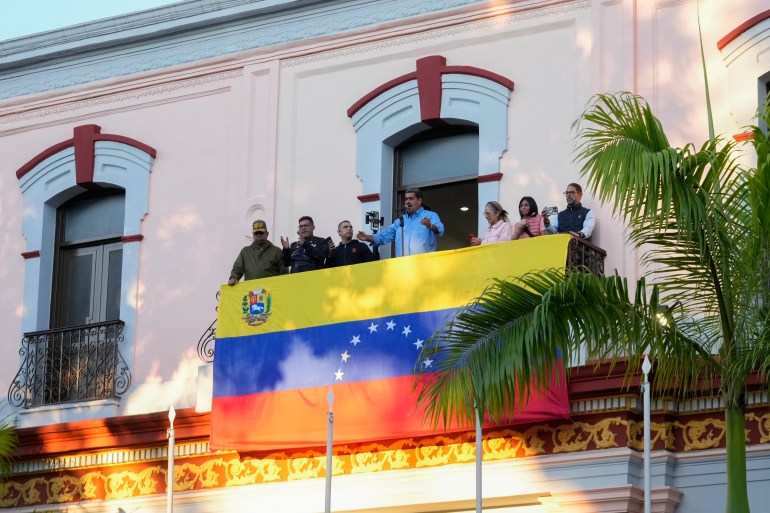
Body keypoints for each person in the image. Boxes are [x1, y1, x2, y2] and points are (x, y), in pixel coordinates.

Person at [356, 188, 444, 256]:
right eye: (406, 199)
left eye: (411, 198)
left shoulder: (431, 215)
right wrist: (366, 237)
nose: (408, 201)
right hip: (402, 268)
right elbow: (383, 236)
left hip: (423, 267)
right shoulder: (400, 220)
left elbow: (440, 230)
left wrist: (430, 226)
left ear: (419, 200)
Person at [228, 219, 286, 285]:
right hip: (251, 293)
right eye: (256, 233)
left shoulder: (277, 251)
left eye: (261, 233)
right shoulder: (245, 252)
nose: (259, 235)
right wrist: (233, 278)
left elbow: (285, 274)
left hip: (271, 293)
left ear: (267, 234)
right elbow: (237, 269)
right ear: (253, 235)